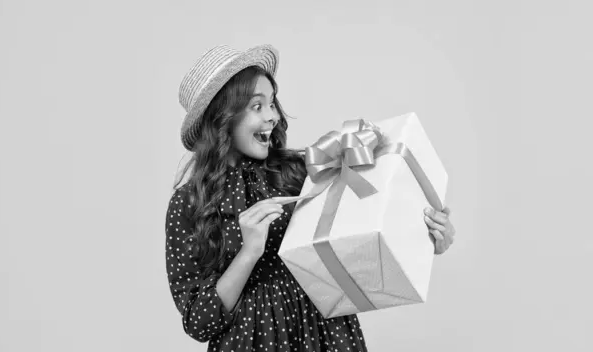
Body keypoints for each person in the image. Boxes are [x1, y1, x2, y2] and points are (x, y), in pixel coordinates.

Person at [165, 44, 456, 351]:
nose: (273, 116)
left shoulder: (298, 171)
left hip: (326, 335)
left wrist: (426, 235)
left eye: (272, 103)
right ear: (222, 118)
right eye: (257, 106)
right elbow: (199, 322)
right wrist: (248, 252)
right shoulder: (189, 203)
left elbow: (362, 229)